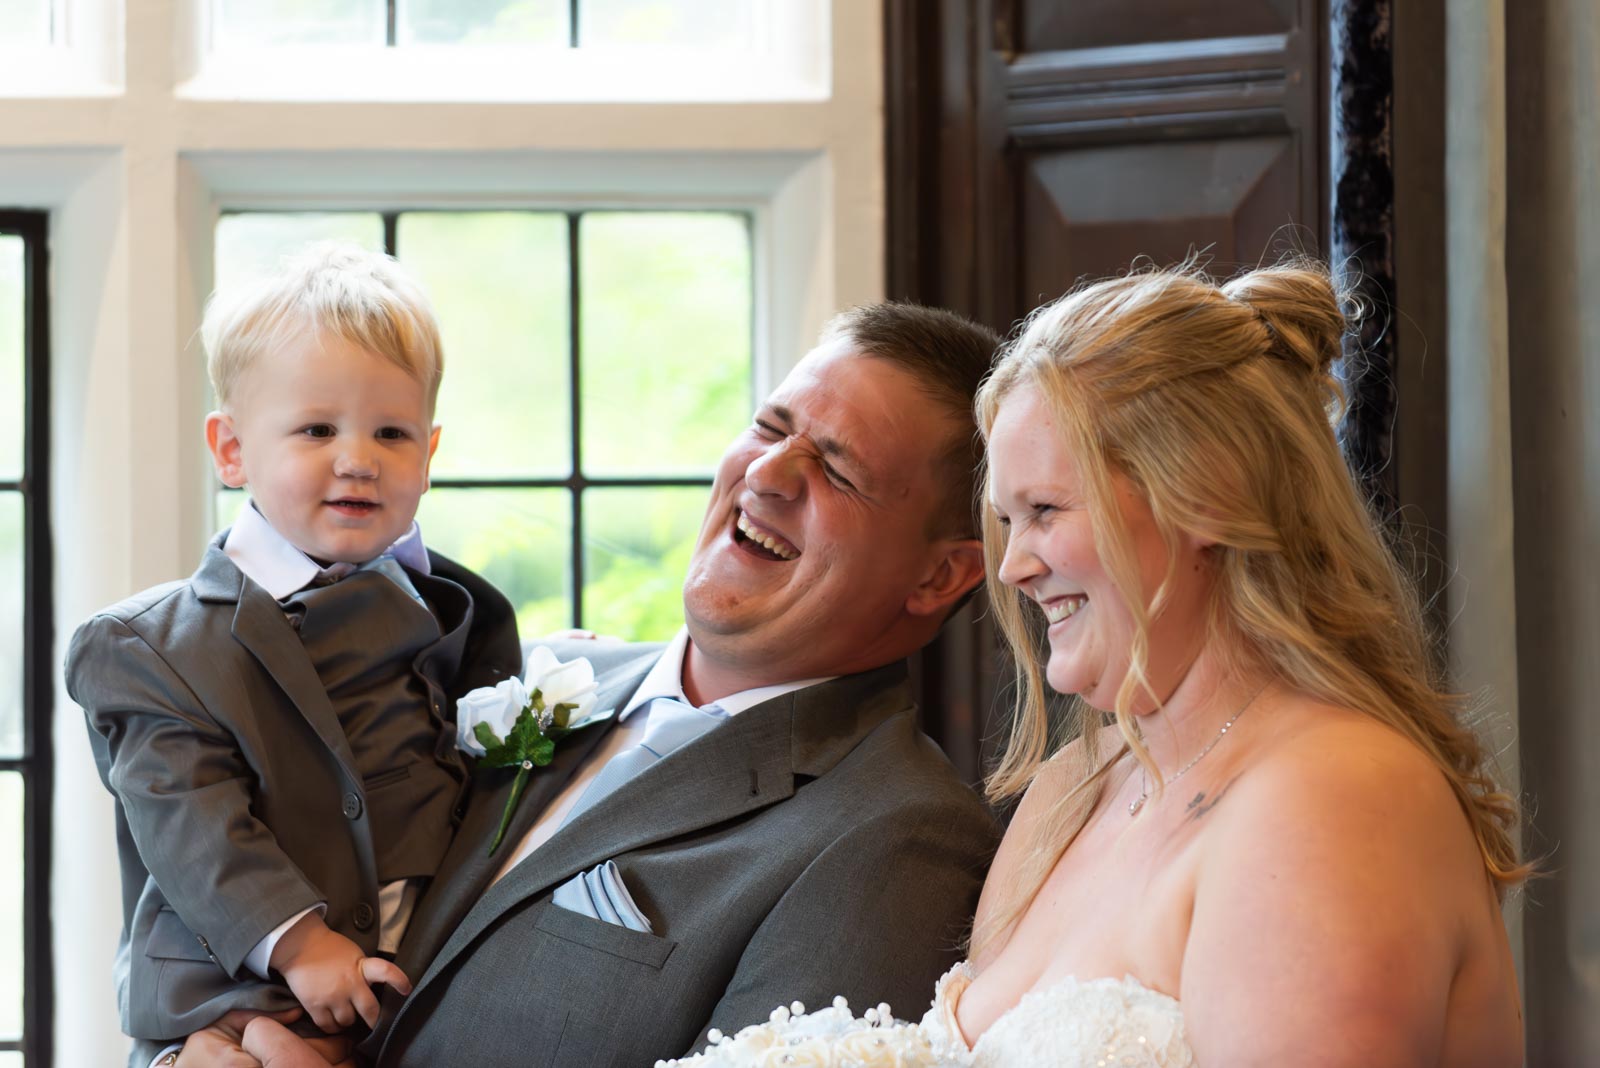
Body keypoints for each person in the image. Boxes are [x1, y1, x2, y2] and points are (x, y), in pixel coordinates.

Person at [179, 302, 1004, 1067]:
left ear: (938, 576)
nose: (769, 476)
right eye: (770, 427)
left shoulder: (899, 839)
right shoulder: (514, 675)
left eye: (837, 468)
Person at [925, 262, 1525, 1065]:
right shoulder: (1073, 787)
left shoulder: (1334, 795)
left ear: (1203, 495)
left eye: (1045, 511)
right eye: (1007, 519)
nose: (1013, 568)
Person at [66, 244, 523, 1068]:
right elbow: (192, 824)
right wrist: (300, 943)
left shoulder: (463, 609)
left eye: (392, 432)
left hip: (407, 1004)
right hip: (241, 1004)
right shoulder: (151, 648)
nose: (358, 457)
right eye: (317, 429)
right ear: (233, 448)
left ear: (428, 454)